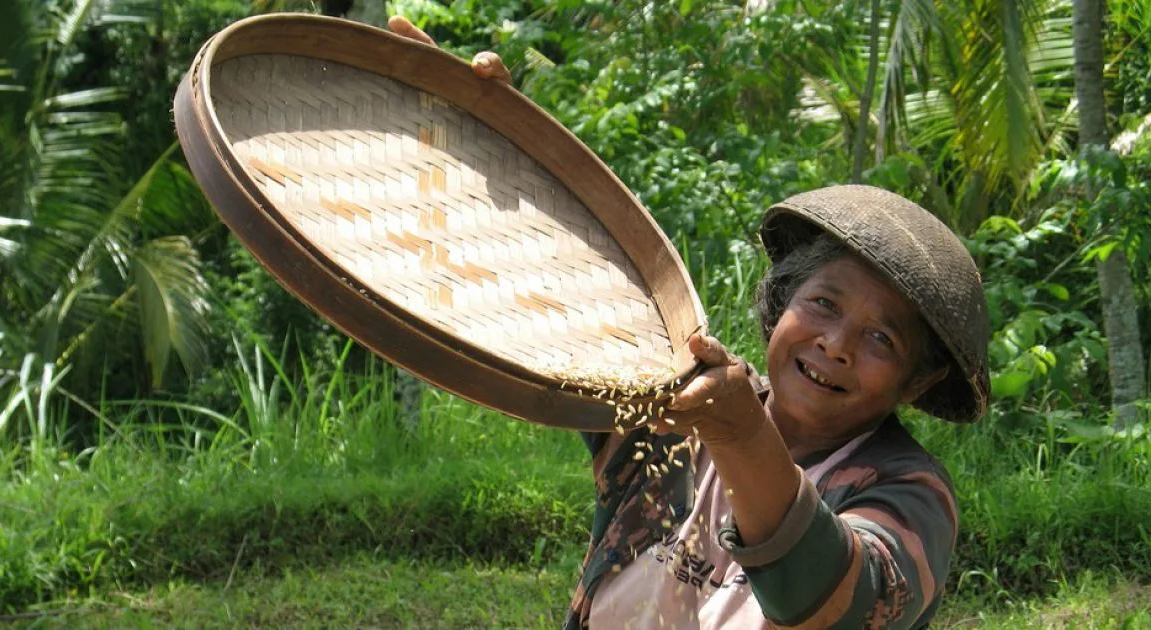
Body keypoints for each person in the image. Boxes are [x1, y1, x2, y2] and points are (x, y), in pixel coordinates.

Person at [387, 16, 991, 629]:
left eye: (881, 339)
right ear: (782, 304)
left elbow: (839, 600)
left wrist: (741, 435)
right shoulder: (679, 410)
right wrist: (482, 144)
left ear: (916, 382)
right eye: (824, 305)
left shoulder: (908, 491)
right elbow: (558, 291)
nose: (836, 345)